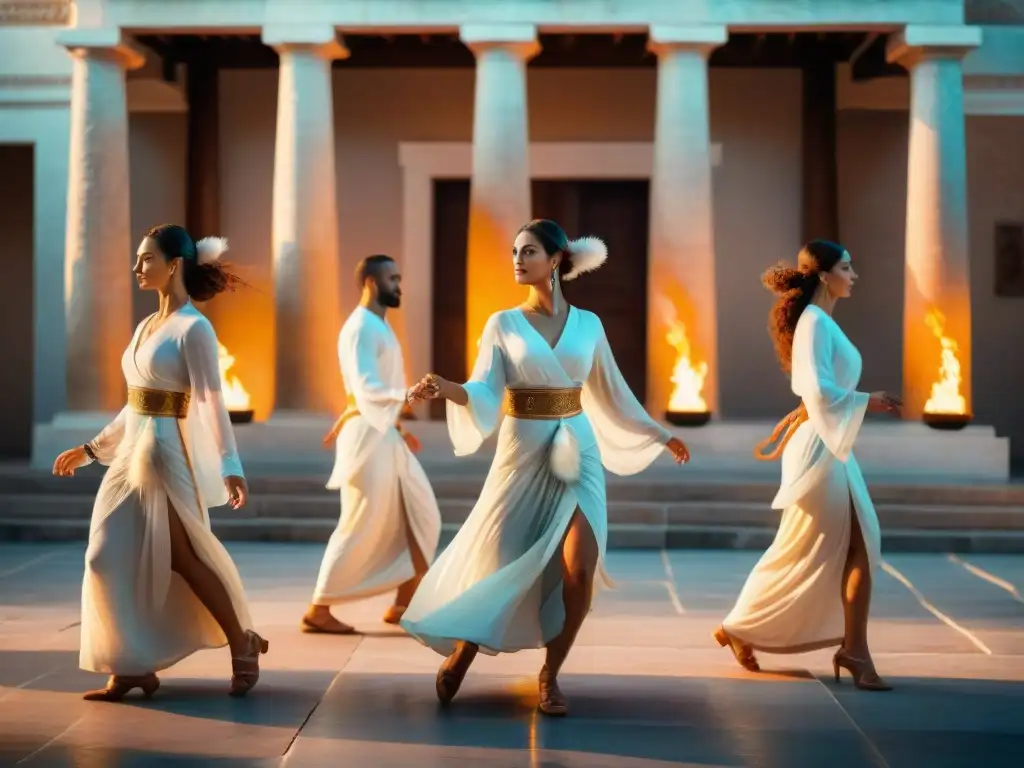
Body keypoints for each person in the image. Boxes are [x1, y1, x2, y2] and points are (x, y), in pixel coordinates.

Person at [401, 219, 690, 716]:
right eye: (514, 251)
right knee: (500, 557)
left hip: (579, 450)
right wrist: (444, 388)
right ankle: (467, 644)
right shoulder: (502, 324)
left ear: (555, 260)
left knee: (580, 568)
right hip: (522, 448)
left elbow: (612, 389)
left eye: (528, 251)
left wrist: (659, 433)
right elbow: (486, 390)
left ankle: (551, 675)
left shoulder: (589, 325)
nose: (517, 258)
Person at [52, 224, 268, 701]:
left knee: (183, 559)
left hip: (167, 455)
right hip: (131, 454)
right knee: (105, 556)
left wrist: (231, 464)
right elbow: (137, 403)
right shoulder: (145, 327)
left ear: (174, 265)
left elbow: (211, 400)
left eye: (146, 259)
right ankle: (133, 665)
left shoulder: (195, 328)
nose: (137, 268)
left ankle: (242, 641)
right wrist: (91, 450)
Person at [713, 239, 901, 691]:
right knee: (847, 542)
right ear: (823, 274)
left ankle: (741, 627)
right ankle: (853, 651)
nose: (853, 275)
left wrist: (848, 403)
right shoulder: (815, 322)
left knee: (823, 545)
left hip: (829, 443)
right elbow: (816, 390)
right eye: (846, 267)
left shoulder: (820, 321)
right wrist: (866, 400)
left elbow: (814, 392)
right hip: (820, 445)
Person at [302, 255, 441, 634]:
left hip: (384, 432)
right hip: (366, 435)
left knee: (421, 512)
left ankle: (405, 600)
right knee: (360, 522)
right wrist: (407, 394)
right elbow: (365, 388)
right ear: (369, 282)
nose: (398, 285)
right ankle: (319, 608)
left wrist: (398, 424)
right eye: (391, 278)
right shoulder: (360, 327)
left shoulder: (378, 324)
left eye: (398, 277)